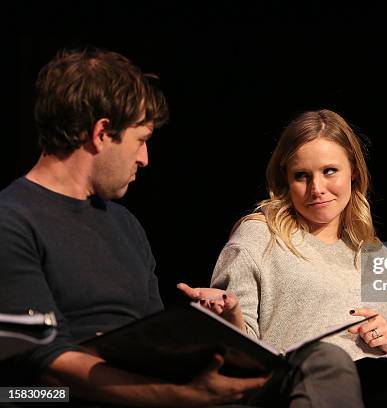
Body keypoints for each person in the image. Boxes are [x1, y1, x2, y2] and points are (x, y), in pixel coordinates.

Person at [0, 49, 363, 408]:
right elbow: (45, 370)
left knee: (324, 363)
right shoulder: (12, 221)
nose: (144, 158)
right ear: (101, 133)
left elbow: (149, 341)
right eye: (141, 140)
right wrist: (180, 396)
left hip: (169, 389)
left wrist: (204, 333)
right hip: (84, 397)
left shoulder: (125, 226)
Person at [180, 110, 387, 407]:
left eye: (329, 171)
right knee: (329, 360)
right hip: (290, 387)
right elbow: (238, 355)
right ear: (285, 179)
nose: (316, 188)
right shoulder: (260, 236)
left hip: (372, 387)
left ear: (353, 171)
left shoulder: (374, 253)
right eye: (302, 176)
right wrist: (230, 313)